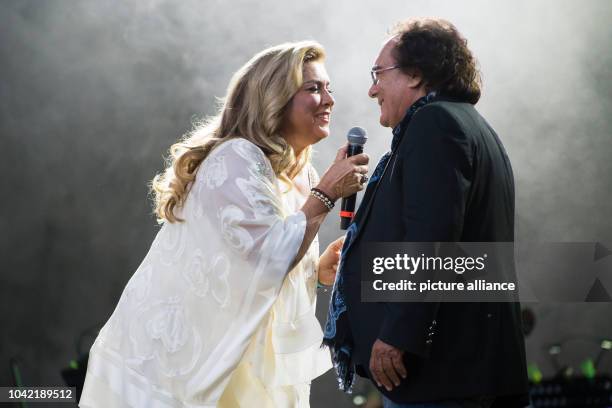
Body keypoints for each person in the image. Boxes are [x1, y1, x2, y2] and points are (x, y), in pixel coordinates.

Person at [79, 41, 369, 408]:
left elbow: (254, 269)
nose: (329, 100)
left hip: (248, 367)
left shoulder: (299, 174)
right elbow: (266, 255)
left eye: (329, 89)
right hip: (185, 367)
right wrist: (327, 192)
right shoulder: (236, 156)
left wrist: (315, 269)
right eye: (313, 88)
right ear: (274, 98)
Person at [323, 18, 529, 407]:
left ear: (415, 75)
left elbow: (431, 238)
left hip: (445, 378)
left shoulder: (436, 124)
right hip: (462, 374)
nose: (372, 89)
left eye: (378, 74)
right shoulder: (465, 123)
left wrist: (400, 334)